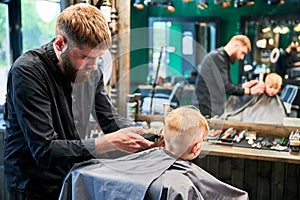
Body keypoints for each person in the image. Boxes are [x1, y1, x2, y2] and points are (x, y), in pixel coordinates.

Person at [4, 3, 156, 200]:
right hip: (33, 185)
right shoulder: (28, 71)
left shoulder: (92, 72)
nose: (93, 67)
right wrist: (108, 142)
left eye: (98, 58)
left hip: (71, 176)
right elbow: (45, 150)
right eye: (85, 57)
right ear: (60, 44)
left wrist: (149, 136)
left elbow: (109, 120)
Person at [59, 106, 249, 200]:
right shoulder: (179, 185)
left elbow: (80, 176)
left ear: (162, 138)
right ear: (196, 148)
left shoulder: (95, 170)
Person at [195, 34, 265, 118]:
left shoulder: (223, 58)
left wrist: (243, 86)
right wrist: (250, 91)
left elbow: (225, 84)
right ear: (236, 44)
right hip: (206, 109)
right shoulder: (217, 57)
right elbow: (225, 87)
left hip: (212, 107)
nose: (242, 57)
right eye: (242, 53)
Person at [220, 73, 287, 124]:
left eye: (275, 88)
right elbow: (241, 99)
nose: (272, 91)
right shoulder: (257, 92)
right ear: (265, 84)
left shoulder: (277, 101)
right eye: (270, 87)